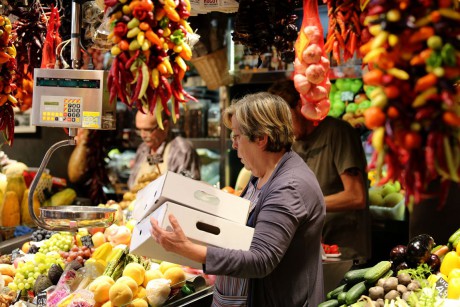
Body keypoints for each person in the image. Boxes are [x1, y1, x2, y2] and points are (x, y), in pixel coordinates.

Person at [150, 92, 326, 307]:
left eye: (236, 136)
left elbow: (261, 259)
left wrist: (190, 250)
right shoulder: (262, 173)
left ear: (261, 138)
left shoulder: (288, 187)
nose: (233, 145)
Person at [268, 79, 371, 265]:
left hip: (345, 254)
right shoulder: (291, 143)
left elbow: (356, 196)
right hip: (313, 253)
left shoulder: (337, 132)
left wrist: (304, 207)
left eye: (284, 117)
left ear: (300, 106)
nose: (282, 126)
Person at [127, 109, 201, 189]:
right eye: (139, 130)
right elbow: (132, 185)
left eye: (148, 130)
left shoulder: (182, 150)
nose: (143, 135)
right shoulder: (143, 148)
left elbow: (187, 189)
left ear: (165, 126)